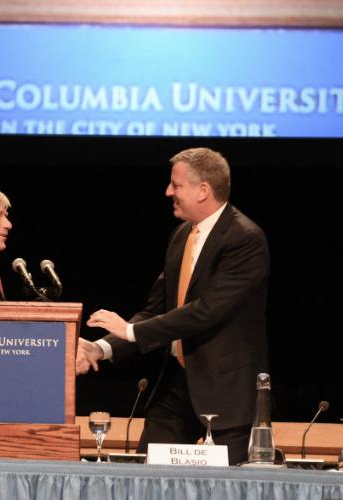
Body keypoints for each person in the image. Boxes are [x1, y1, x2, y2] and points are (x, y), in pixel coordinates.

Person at [77, 147, 269, 465]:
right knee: (144, 482)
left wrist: (129, 329)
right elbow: (158, 309)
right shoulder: (182, 235)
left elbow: (206, 311)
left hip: (226, 393)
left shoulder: (245, 239)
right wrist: (102, 348)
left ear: (203, 190)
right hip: (175, 387)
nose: (168, 192)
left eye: (176, 185)